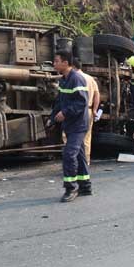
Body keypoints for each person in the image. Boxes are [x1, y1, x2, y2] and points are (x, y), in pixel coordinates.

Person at [49, 51, 91, 202]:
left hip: (79, 124)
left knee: (69, 154)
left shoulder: (76, 79)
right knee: (79, 154)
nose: (54, 64)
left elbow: (81, 102)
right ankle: (85, 186)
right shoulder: (64, 80)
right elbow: (60, 101)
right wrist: (53, 117)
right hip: (70, 124)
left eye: (56, 61)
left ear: (66, 63)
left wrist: (65, 113)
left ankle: (71, 188)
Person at [71, 58, 100, 165]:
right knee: (86, 138)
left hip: (75, 111)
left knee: (70, 137)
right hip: (88, 111)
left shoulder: (73, 78)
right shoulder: (90, 79)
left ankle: (73, 162)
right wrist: (95, 110)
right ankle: (85, 162)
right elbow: (97, 95)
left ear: (72, 66)